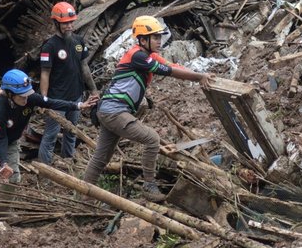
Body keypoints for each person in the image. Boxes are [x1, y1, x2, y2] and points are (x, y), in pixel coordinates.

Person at [83, 15, 216, 202]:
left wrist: (200, 74)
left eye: (159, 37)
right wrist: (198, 78)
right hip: (114, 111)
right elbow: (168, 72)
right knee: (152, 139)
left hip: (109, 110)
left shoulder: (148, 55)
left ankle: (84, 197)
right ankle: (149, 186)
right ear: (142, 39)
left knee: (101, 157)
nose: (159, 41)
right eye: (155, 37)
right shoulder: (138, 56)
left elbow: (172, 65)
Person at [0, 69, 98, 224]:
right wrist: (4, 162)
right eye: (22, 96)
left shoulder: (29, 98)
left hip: (12, 141)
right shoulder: (0, 108)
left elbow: (51, 102)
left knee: (14, 178)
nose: (26, 99)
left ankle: (3, 211)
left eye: (27, 94)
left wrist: (78, 105)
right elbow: (0, 138)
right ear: (10, 93)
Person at [38, 2, 98, 165]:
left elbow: (84, 67)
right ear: (56, 23)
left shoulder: (79, 42)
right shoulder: (49, 46)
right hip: (56, 99)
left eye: (71, 22)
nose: (69, 26)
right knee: (51, 134)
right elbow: (45, 73)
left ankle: (68, 162)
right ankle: (45, 168)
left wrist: (93, 90)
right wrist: (43, 100)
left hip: (76, 97)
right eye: (65, 23)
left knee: (71, 131)